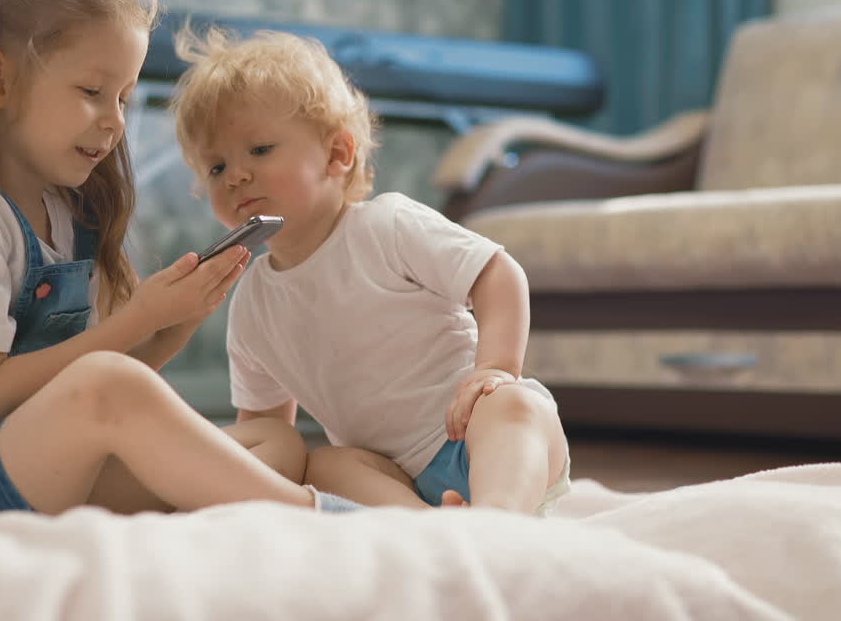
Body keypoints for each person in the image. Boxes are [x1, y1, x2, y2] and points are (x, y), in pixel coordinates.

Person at [0, 0, 359, 524]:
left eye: (125, 97)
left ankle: (239, 508)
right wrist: (139, 319)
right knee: (111, 383)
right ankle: (323, 518)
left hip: (32, 459)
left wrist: (175, 321)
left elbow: (105, 395)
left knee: (275, 445)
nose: (115, 121)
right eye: (91, 92)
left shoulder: (65, 209)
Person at [168, 27, 572, 516]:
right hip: (395, 476)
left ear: (337, 154)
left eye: (258, 151)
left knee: (515, 405)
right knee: (323, 466)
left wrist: (495, 369)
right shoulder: (252, 300)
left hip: (478, 433)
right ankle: (428, 525)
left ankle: (499, 518)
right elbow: (269, 432)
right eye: (215, 167)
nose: (235, 176)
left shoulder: (388, 225)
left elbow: (498, 274)